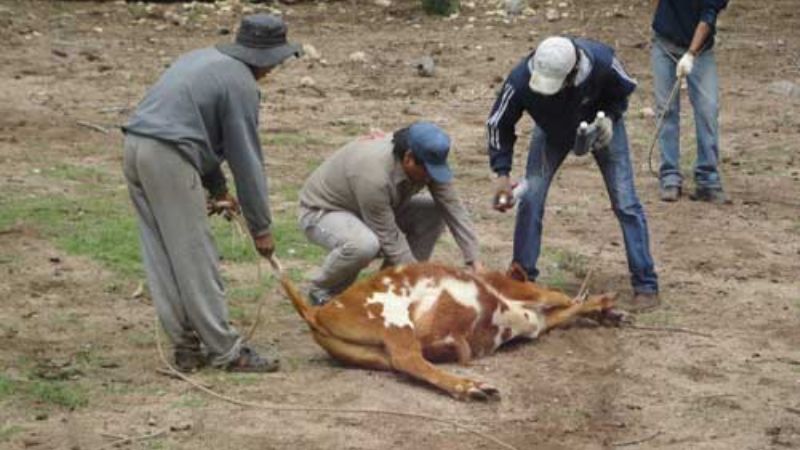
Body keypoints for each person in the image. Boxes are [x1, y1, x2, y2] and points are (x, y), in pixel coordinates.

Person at [121, 14, 302, 373]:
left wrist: (217, 188)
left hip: (135, 148)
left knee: (162, 255)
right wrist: (260, 227)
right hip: (170, 157)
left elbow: (191, 127)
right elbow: (247, 160)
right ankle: (226, 351)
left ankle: (186, 348)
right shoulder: (242, 84)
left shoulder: (202, 60)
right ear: (267, 59)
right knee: (194, 257)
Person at [486, 36, 660, 311]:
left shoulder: (603, 62)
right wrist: (502, 174)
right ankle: (522, 279)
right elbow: (499, 123)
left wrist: (610, 121)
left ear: (572, 73)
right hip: (551, 132)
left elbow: (623, 90)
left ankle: (646, 283)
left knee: (626, 202)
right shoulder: (521, 78)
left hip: (600, 127)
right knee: (531, 199)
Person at [298, 122, 483, 305]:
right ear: (409, 158)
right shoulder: (374, 176)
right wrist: (421, 277)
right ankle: (323, 290)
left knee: (432, 213)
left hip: (372, 209)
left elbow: (453, 207)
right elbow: (389, 236)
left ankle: (391, 287)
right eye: (427, 171)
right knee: (364, 245)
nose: (431, 177)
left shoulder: (427, 158)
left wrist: (474, 260)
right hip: (324, 212)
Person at [652, 0, 729, 203]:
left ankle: (707, 179)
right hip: (664, 45)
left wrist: (691, 54)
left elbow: (708, 18)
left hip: (701, 52)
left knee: (707, 110)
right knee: (666, 110)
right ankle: (669, 177)